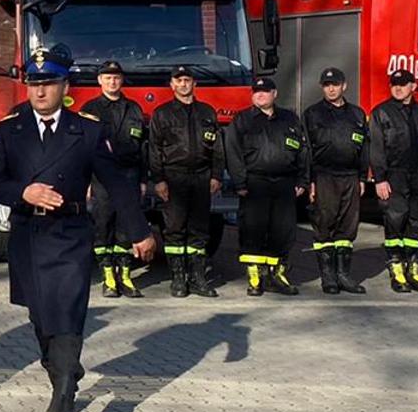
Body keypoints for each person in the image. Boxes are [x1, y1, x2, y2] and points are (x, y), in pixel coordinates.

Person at [0, 48, 154, 412]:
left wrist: (140, 231)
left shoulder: (87, 130)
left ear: (65, 86)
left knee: (67, 312)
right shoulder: (11, 129)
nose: (40, 92)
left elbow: (117, 184)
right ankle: (63, 367)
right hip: (28, 234)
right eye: (34, 84)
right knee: (41, 318)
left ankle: (63, 400)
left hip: (70, 233)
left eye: (48, 84)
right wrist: (24, 192)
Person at [226, 77, 307, 296]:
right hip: (255, 183)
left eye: (265, 91)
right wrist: (240, 182)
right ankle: (255, 277)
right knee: (253, 229)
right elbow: (232, 153)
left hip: (284, 183)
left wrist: (302, 180)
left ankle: (276, 274)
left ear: (275, 93)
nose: (260, 94)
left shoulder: (290, 119)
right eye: (256, 91)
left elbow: (302, 151)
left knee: (283, 230)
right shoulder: (243, 120)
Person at [147, 67, 222, 297]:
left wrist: (216, 175)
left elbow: (217, 149)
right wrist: (159, 180)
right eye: (178, 81)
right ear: (171, 85)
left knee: (199, 229)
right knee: (175, 229)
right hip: (173, 177)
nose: (183, 85)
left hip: (201, 177)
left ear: (194, 84)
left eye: (187, 80)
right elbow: (154, 149)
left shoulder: (207, 113)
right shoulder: (162, 114)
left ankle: (198, 278)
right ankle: (178, 279)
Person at [79, 61, 148, 300]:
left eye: (116, 78)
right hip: (100, 177)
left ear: (122, 81)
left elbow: (144, 148)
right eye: (107, 78)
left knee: (126, 227)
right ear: (99, 81)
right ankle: (108, 277)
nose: (112, 82)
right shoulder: (90, 109)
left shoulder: (134, 109)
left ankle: (125, 276)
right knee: (103, 225)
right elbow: (82, 149)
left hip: (129, 175)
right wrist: (85, 181)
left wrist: (142, 179)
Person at [369, 69, 418, 294]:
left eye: (403, 84)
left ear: (413, 86)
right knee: (395, 220)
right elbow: (377, 149)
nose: (398, 88)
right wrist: (379, 179)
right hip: (394, 175)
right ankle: (397, 269)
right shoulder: (381, 113)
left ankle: (414, 268)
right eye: (394, 84)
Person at [302, 67, 369, 295]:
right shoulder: (313, 114)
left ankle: (344, 275)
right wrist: (309, 180)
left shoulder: (357, 115)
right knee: (324, 226)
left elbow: (364, 149)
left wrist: (362, 177)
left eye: (335, 84)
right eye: (327, 85)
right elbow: (307, 150)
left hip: (350, 177)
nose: (331, 89)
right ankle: (328, 276)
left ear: (344, 86)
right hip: (324, 176)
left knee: (347, 229)